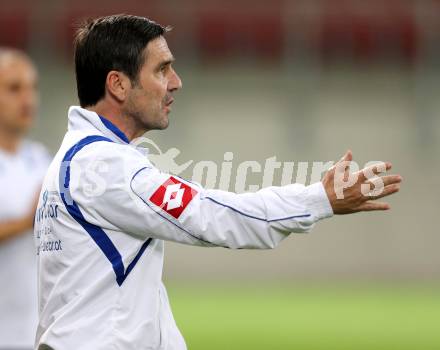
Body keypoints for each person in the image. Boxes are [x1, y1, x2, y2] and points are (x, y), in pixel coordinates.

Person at [34, 15, 402, 350]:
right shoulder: (105, 167)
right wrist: (319, 199)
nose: (175, 83)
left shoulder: (80, 157)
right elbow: (213, 216)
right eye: (161, 70)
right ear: (118, 84)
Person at [0, 48, 51, 350]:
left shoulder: (42, 159)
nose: (27, 98)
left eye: (33, 87)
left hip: (38, 335)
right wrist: (26, 221)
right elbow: (31, 220)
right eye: (14, 88)